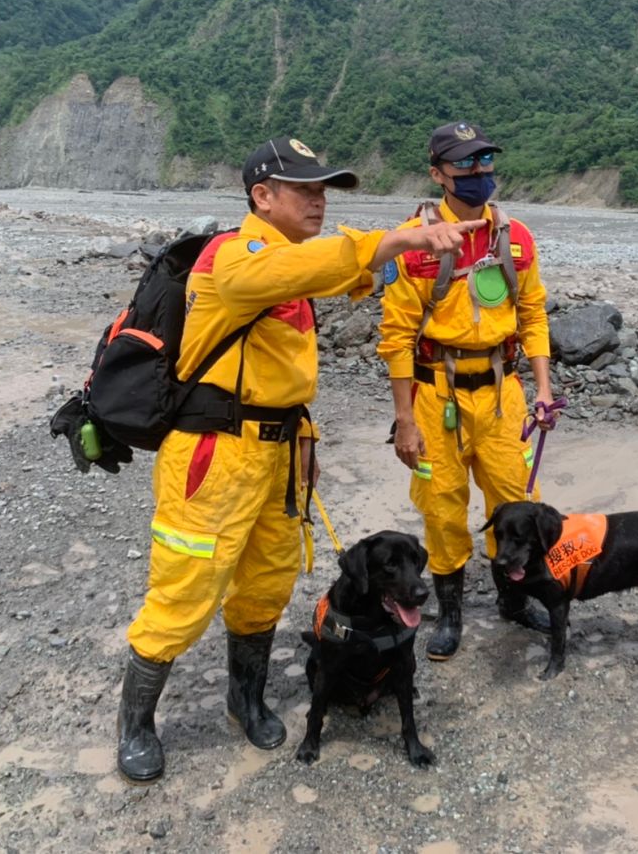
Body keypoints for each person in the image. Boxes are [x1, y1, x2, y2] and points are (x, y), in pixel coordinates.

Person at [117, 136, 484, 783]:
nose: (319, 200)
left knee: (265, 582)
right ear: (262, 196)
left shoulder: (291, 265)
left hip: (279, 454)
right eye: (305, 189)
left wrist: (419, 236)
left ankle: (246, 697)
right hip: (213, 456)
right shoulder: (233, 257)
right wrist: (398, 241)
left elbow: (348, 281)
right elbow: (312, 267)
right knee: (185, 588)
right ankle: (137, 723)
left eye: (324, 190)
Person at [378, 120, 559, 661]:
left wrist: (544, 390)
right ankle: (451, 614)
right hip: (437, 396)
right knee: (442, 507)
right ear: (438, 174)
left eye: (485, 162)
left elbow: (532, 315)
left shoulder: (515, 238)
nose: (480, 173)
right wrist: (405, 420)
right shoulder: (411, 244)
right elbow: (396, 337)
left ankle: (512, 598)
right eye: (465, 164)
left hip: (504, 396)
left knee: (516, 502)